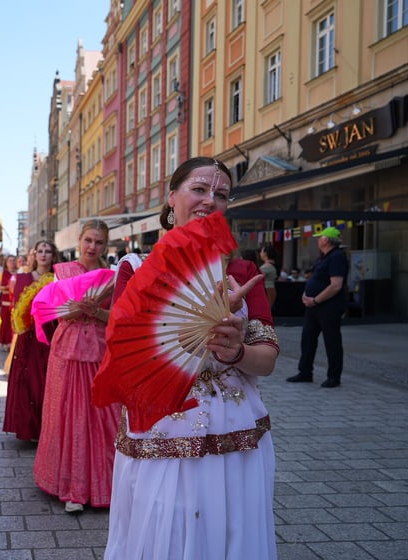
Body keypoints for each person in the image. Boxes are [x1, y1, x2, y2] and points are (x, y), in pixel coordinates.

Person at [102, 157, 279, 559]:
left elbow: (266, 361)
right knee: (166, 527)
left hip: (236, 429)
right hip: (164, 424)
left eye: (220, 194)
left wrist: (235, 351)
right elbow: (125, 358)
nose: (209, 200)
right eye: (199, 189)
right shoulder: (136, 269)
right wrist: (190, 334)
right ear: (171, 199)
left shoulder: (242, 270)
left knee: (233, 529)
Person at [33, 219, 120, 514]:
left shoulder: (114, 277)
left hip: (99, 349)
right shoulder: (62, 272)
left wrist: (99, 311)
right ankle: (71, 487)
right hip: (68, 349)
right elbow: (53, 312)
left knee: (102, 416)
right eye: (88, 241)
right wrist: (74, 309)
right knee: (67, 414)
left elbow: (120, 319)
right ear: (79, 242)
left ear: (105, 245)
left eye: (98, 242)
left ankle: (106, 484)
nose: (92, 247)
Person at [3, 240, 59, 441]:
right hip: (27, 335)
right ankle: (27, 428)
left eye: (48, 251)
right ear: (34, 255)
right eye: (40, 251)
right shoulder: (21, 278)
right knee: (26, 380)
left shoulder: (56, 279)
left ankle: (45, 427)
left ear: (53, 255)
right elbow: (16, 309)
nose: (43, 254)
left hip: (48, 335)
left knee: (44, 380)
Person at [288, 226, 349, 388]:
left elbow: (336, 285)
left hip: (328, 306)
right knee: (307, 338)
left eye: (320, 237)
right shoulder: (323, 257)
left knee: (332, 341)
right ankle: (305, 372)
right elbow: (315, 279)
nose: (317, 239)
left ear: (326, 240)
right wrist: (306, 295)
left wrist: (315, 300)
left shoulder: (337, 257)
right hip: (313, 306)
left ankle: (334, 376)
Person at [0, 255, 18, 349]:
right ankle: (5, 342)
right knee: (6, 322)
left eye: (13, 260)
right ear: (7, 263)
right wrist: (9, 287)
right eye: (10, 261)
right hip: (6, 301)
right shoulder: (3, 273)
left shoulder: (19, 273)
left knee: (13, 322)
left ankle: (13, 342)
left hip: (16, 301)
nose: (12, 262)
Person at [259, 245, 279, 309]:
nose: (260, 253)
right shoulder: (271, 265)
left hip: (266, 290)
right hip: (270, 289)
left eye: (261, 251)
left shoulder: (266, 267)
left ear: (265, 253)